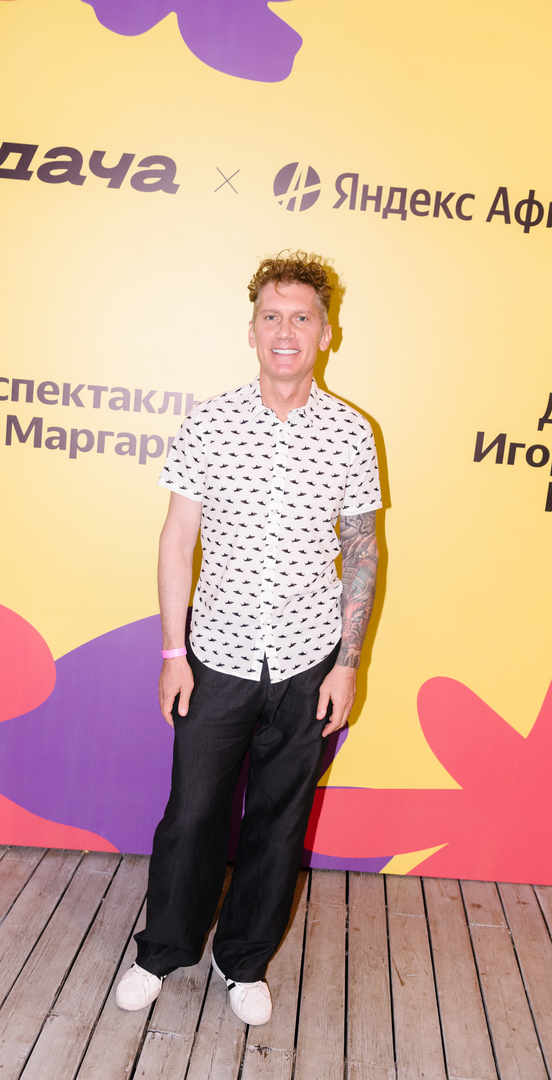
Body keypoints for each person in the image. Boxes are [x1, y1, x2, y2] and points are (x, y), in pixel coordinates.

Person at [116, 251, 382, 1025]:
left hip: (308, 663)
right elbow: (177, 541)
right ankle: (162, 952)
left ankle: (244, 963)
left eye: (302, 317)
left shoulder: (352, 433)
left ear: (326, 333)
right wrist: (173, 654)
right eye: (272, 316)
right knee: (192, 815)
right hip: (217, 658)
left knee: (279, 821)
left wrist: (347, 666)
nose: (285, 331)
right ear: (253, 329)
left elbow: (362, 551)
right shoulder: (210, 421)